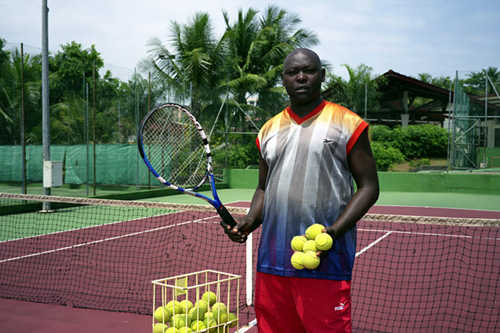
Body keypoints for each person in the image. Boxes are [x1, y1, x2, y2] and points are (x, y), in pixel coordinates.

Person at [222, 48, 380, 332]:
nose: (301, 77)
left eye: (308, 70)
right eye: (293, 72)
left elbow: (369, 187)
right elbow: (263, 188)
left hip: (325, 262)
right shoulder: (268, 130)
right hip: (272, 262)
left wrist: (332, 233)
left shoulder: (347, 122)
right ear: (283, 80)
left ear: (322, 75)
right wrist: (248, 221)